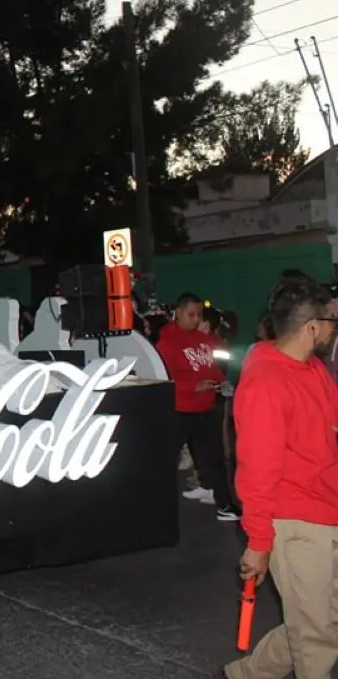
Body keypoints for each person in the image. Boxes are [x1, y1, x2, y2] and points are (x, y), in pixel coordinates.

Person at [216, 276, 338, 679]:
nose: (334, 327)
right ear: (312, 327)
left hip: (327, 508)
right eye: (331, 320)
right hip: (296, 522)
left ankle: (244, 675)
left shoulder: (313, 369)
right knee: (317, 637)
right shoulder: (267, 382)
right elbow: (257, 472)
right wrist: (259, 543)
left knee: (316, 623)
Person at [156, 293, 238, 522]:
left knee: (214, 458)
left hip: (205, 407)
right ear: (178, 313)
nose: (195, 319)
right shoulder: (167, 341)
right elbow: (164, 379)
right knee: (166, 459)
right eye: (191, 314)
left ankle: (225, 504)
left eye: (199, 314)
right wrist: (194, 386)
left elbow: (213, 363)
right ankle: (155, 507)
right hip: (180, 409)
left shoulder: (204, 339)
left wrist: (219, 380)